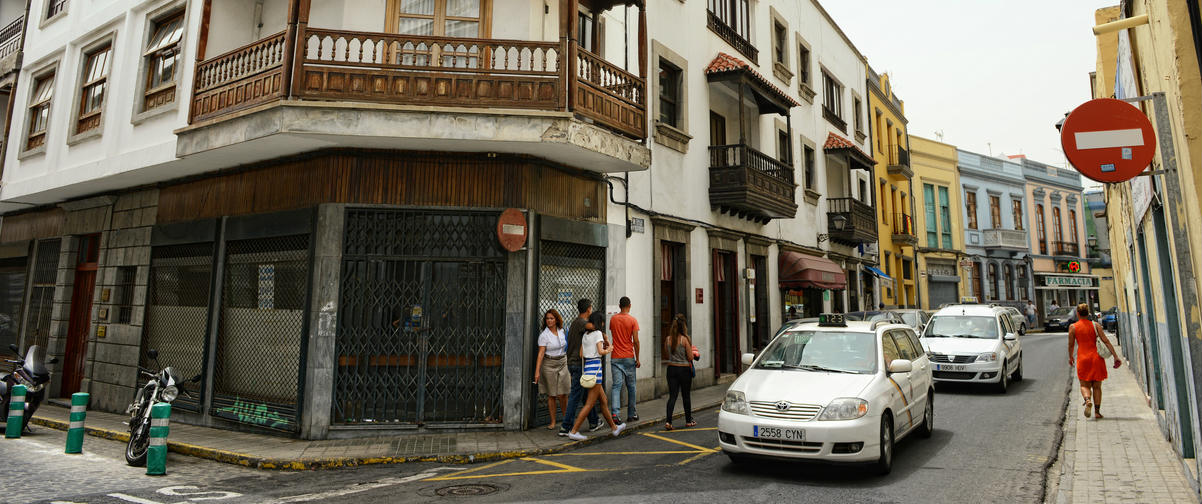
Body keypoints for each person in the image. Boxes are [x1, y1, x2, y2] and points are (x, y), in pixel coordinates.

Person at [565, 312, 626, 440]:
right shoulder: (598, 334)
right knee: (589, 404)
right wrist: (609, 349)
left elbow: (581, 354)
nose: (603, 324)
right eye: (603, 322)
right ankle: (574, 431)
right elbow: (601, 351)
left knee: (603, 401)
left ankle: (615, 428)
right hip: (596, 370)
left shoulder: (585, 335)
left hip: (588, 369)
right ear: (600, 322)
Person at [1069, 303, 1120, 418]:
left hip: (1083, 359)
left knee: (1084, 385)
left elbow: (1071, 345)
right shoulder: (1095, 325)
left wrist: (1071, 356)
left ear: (1078, 314)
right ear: (1088, 314)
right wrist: (1115, 356)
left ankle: (1087, 400)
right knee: (1097, 387)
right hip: (1097, 359)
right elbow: (1106, 341)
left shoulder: (1073, 327)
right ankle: (1097, 412)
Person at [560, 299, 600, 436]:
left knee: (586, 395)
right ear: (589, 309)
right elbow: (593, 327)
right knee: (576, 396)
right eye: (591, 308)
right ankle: (566, 427)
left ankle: (594, 421)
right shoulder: (581, 323)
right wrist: (603, 335)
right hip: (578, 364)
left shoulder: (575, 323)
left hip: (574, 363)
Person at [534, 309, 569, 430]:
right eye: (547, 318)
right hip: (549, 364)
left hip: (563, 362)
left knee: (563, 393)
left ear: (556, 319)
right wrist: (537, 372)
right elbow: (540, 354)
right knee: (552, 394)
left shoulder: (562, 331)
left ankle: (566, 419)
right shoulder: (544, 335)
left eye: (551, 318)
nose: (549, 321)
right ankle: (553, 421)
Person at [609, 297, 640, 422]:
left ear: (619, 305)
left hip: (616, 356)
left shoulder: (613, 319)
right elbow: (636, 341)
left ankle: (615, 414)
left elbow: (614, 335)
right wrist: (637, 358)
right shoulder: (633, 320)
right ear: (630, 305)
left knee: (616, 386)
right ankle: (631, 414)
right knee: (631, 386)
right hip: (628, 356)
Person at [663, 314, 697, 430]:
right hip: (684, 370)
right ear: (684, 326)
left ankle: (668, 422)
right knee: (686, 396)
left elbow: (667, 355)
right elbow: (690, 357)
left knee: (672, 396)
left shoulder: (667, 339)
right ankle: (688, 421)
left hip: (671, 369)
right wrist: (695, 353)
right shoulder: (685, 339)